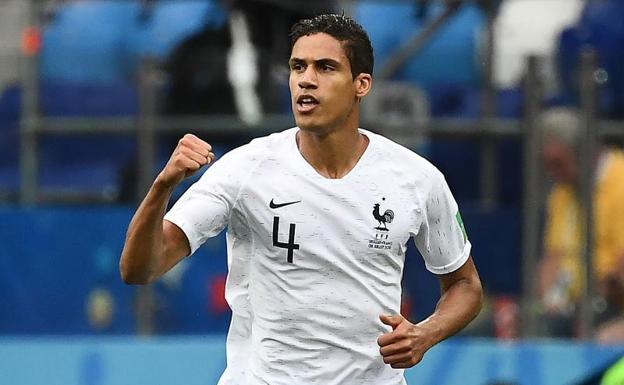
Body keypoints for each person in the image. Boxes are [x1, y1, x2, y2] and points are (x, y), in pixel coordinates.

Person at [119, 14, 483, 384]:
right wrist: (162, 187)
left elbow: (465, 285)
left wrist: (425, 334)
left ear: (362, 84)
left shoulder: (416, 179)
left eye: (325, 67)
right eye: (298, 67)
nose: (306, 79)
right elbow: (139, 269)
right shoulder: (246, 169)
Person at [537, 107, 624, 338]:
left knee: (600, 337)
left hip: (613, 306)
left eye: (558, 163)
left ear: (586, 153)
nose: (552, 173)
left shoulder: (620, 181)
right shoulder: (561, 191)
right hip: (571, 307)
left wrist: (593, 297)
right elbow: (552, 258)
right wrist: (550, 301)